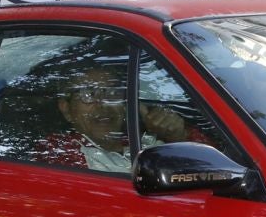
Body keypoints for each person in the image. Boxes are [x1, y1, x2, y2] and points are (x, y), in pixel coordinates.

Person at [33, 65, 188, 171]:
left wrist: (178, 137)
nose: (104, 105)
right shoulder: (58, 152)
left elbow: (208, 167)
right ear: (66, 109)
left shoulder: (145, 140)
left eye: (113, 93)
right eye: (89, 95)